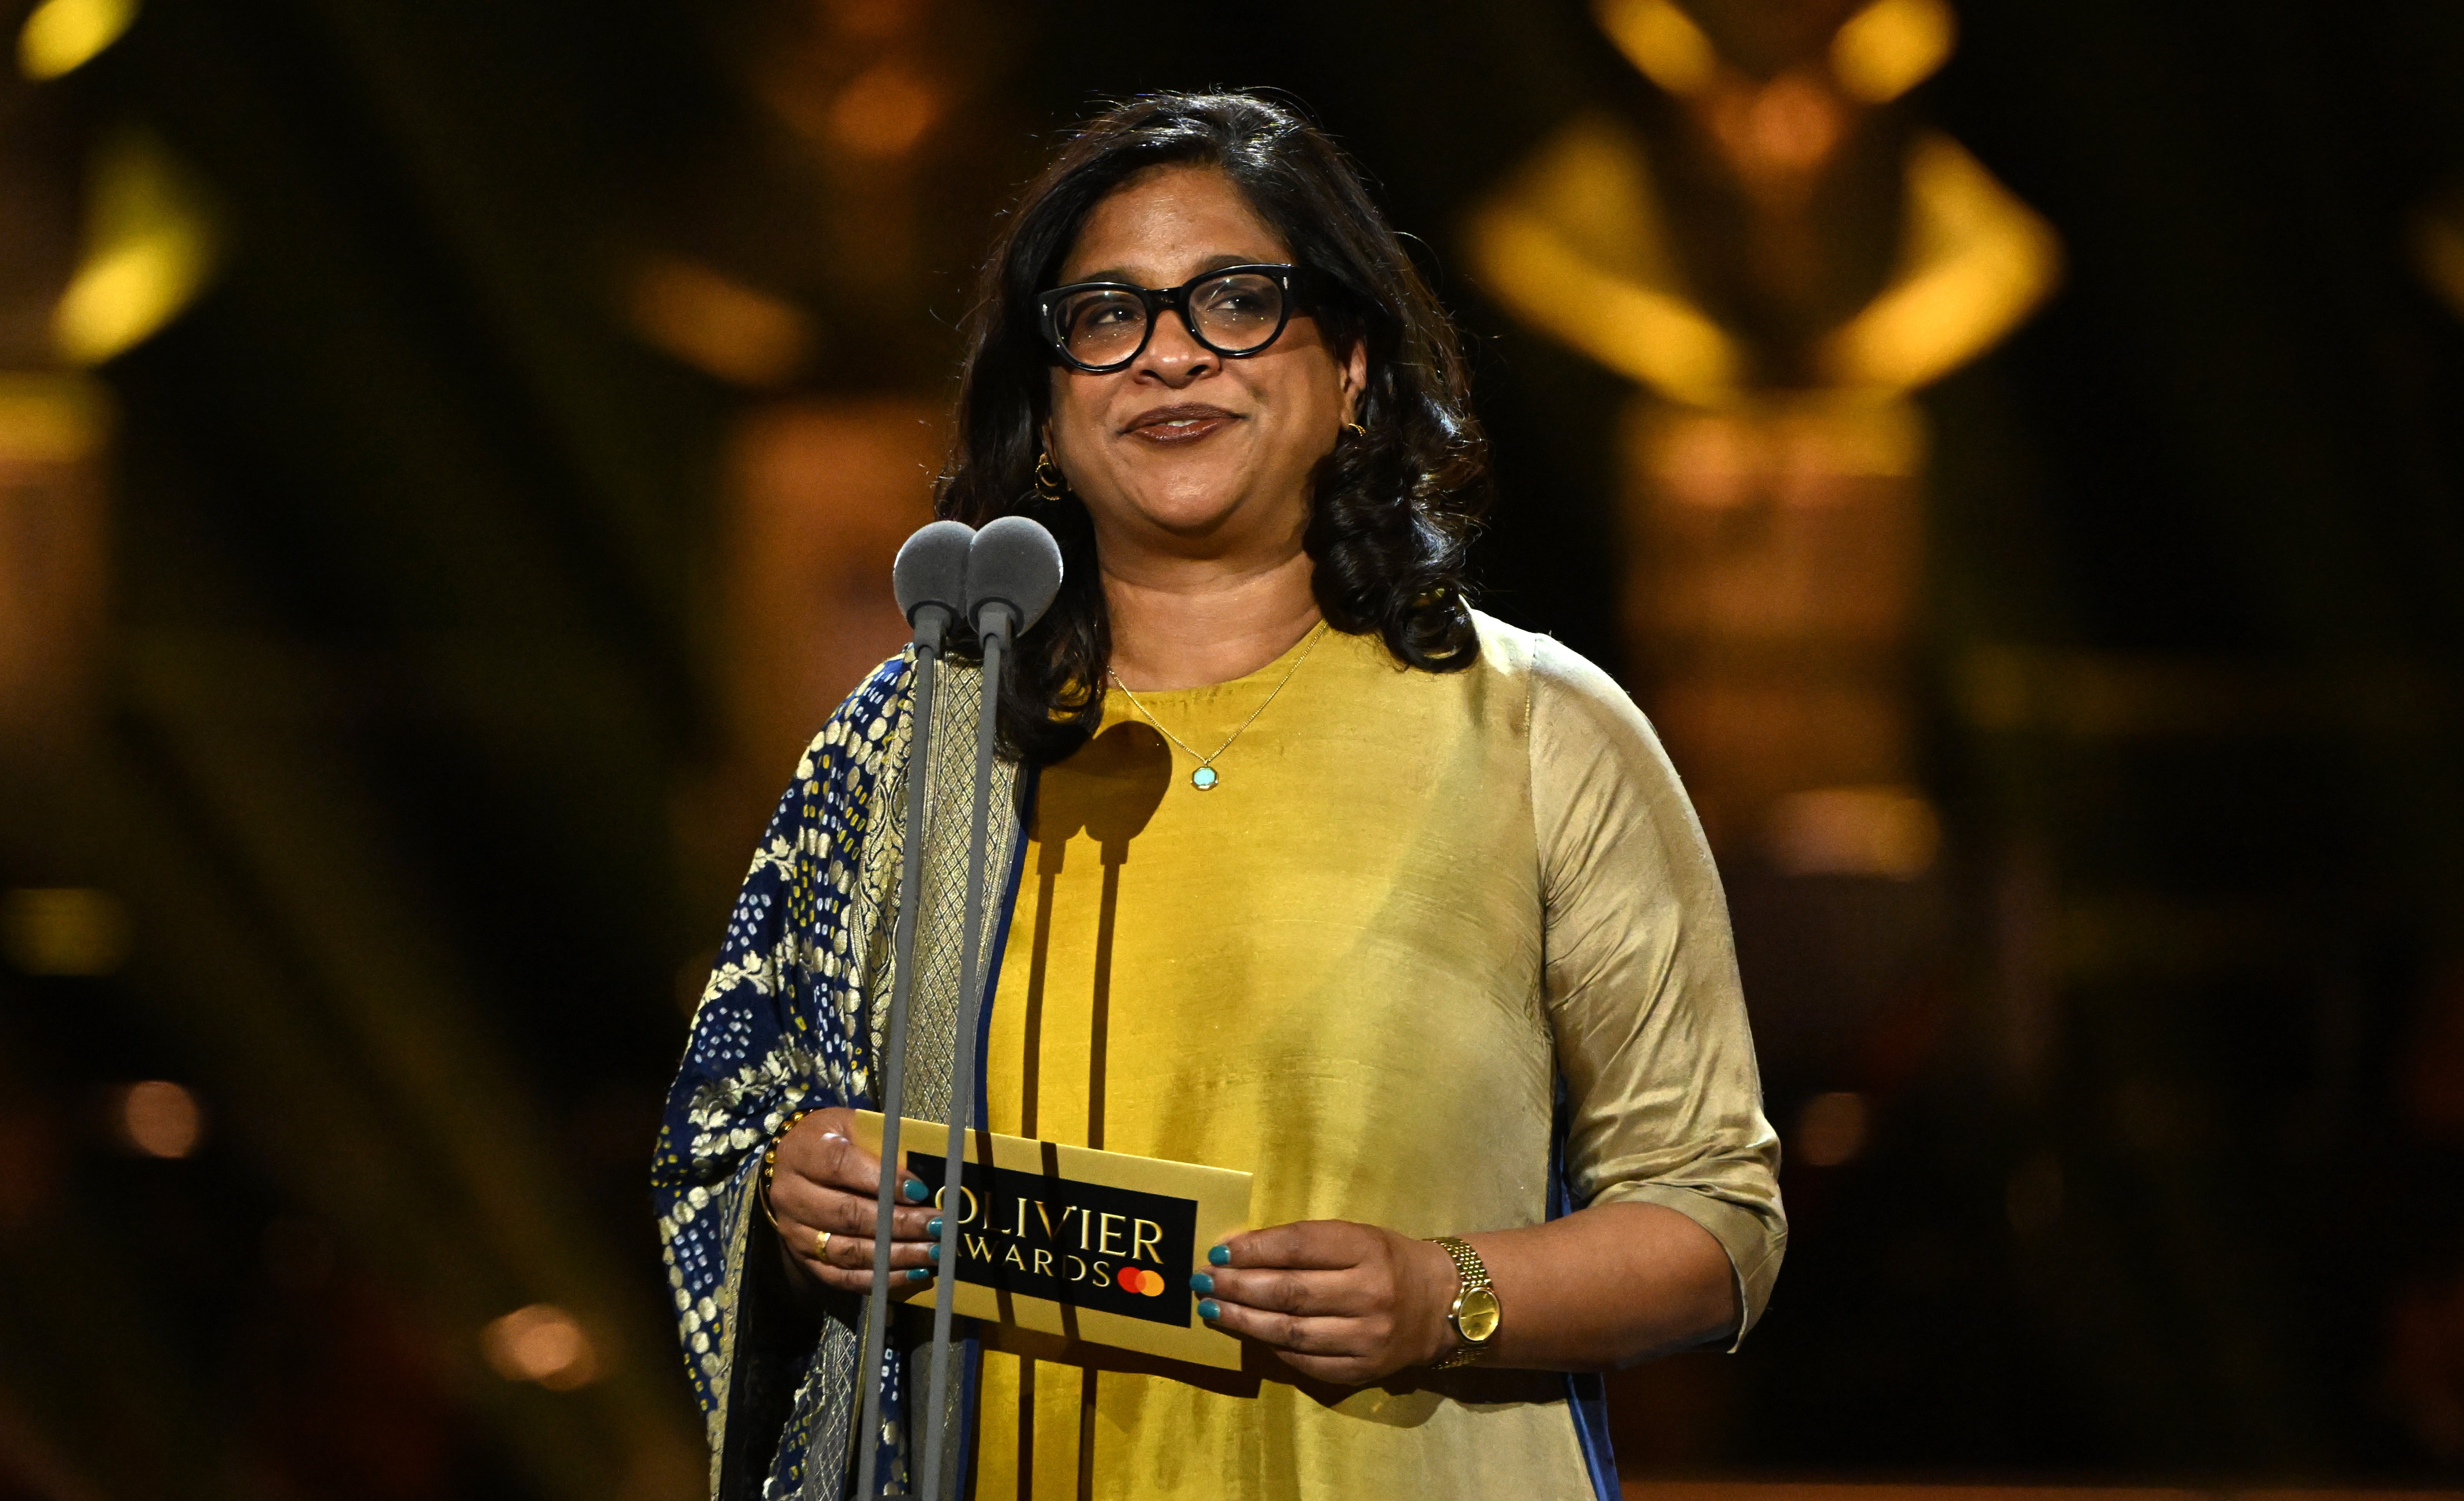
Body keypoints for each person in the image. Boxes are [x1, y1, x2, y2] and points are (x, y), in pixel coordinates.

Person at [653, 91, 1784, 1501]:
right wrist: (799, 1189)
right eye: (1106, 316)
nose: (1170, 352)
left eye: (1237, 302)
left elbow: (1717, 1215)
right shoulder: (921, 749)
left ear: (1354, 368)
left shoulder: (1540, 727)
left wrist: (1443, 1295)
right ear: (1048, 407)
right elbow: (739, 1139)